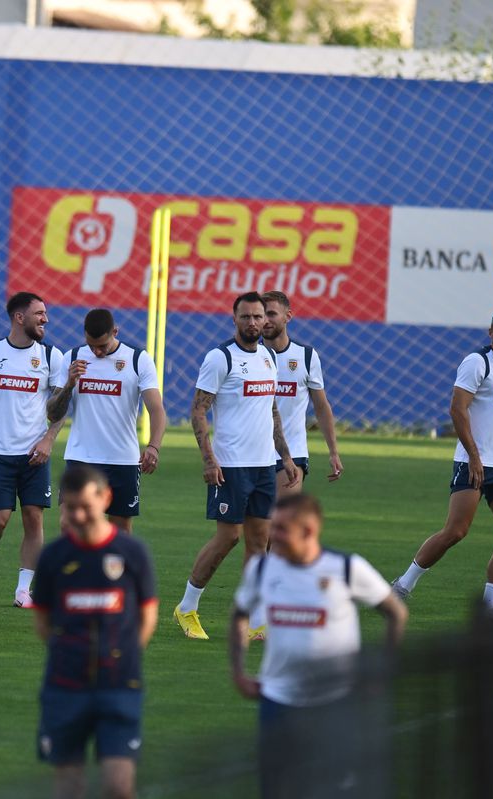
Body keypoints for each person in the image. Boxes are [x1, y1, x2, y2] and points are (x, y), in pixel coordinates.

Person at [228, 494, 407, 799]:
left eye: (283, 528)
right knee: (275, 789)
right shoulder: (261, 569)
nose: (274, 535)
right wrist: (239, 672)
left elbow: (395, 612)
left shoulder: (347, 569)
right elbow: (239, 615)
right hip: (277, 700)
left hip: (334, 703)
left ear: (309, 531)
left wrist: (381, 669)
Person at [174, 292, 299, 641]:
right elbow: (198, 409)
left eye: (258, 317)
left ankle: (253, 619)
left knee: (260, 544)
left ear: (266, 320)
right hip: (230, 466)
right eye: (245, 317)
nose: (253, 323)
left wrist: (285, 457)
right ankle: (186, 607)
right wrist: (209, 460)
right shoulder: (220, 358)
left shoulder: (268, 357)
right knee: (228, 537)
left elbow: (271, 409)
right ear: (234, 319)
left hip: (263, 466)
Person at [32, 465, 158, 799]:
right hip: (65, 686)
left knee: (119, 787)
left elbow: (147, 617)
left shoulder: (132, 554)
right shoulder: (53, 558)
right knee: (69, 787)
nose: (77, 515)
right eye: (70, 507)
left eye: (85, 506)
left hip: (119, 686)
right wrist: (71, 652)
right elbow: (43, 621)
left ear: (106, 498)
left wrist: (120, 656)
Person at [392, 308, 493, 621]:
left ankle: (490, 608)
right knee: (456, 531)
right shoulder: (476, 362)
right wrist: (475, 458)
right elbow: (457, 410)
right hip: (472, 462)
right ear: (490, 332)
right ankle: (401, 586)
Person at [0, 292, 66, 607]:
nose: (45, 319)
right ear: (19, 317)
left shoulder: (50, 357)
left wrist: (48, 439)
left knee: (34, 519)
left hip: (35, 454)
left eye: (46, 313)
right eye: (39, 313)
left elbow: (60, 408)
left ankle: (23, 590)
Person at [45, 309, 167, 534]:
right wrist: (70, 384)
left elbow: (157, 410)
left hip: (123, 460)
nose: (97, 352)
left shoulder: (138, 359)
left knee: (120, 531)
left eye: (102, 346)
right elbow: (53, 413)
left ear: (115, 332)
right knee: (69, 525)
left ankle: (116, 570)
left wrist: (153, 446)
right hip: (81, 457)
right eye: (91, 346)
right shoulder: (72, 358)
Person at [260, 290, 344, 495]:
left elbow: (321, 406)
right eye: (261, 315)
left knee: (284, 520)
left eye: (271, 314)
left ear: (288, 316)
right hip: (251, 452)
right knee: (243, 527)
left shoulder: (306, 356)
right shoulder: (248, 357)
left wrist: (333, 452)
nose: (265, 320)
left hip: (292, 451)